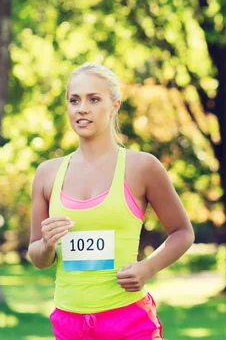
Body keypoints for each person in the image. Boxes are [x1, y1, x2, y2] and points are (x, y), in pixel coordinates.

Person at [28, 62, 195, 339]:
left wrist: (147, 267)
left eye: (94, 99)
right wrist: (46, 244)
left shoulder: (141, 167)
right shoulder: (47, 173)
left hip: (128, 320)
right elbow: (38, 257)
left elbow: (183, 232)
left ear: (115, 105)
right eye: (74, 100)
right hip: (69, 323)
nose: (82, 108)